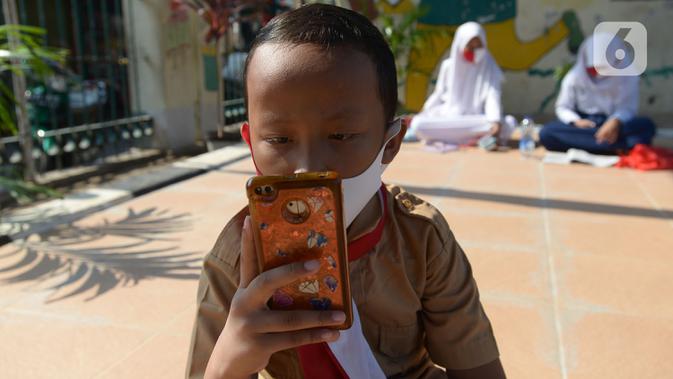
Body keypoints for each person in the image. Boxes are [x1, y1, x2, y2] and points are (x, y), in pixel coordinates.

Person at [186, 5, 505, 379]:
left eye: (340, 136)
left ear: (391, 142)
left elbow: (479, 369)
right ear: (251, 144)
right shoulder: (235, 260)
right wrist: (229, 361)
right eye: (278, 139)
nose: (308, 168)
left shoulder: (422, 240)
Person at [539, 34, 656, 155]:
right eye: (593, 69)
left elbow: (627, 108)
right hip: (584, 125)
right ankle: (610, 146)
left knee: (646, 126)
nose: (598, 74)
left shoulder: (627, 77)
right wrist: (575, 121)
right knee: (547, 132)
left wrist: (614, 122)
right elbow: (563, 107)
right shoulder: (574, 77)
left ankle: (589, 144)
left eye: (604, 68)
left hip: (614, 124)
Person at [406, 22, 513, 146]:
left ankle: (459, 137)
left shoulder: (490, 67)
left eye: (478, 47)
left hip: (475, 119)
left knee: (509, 123)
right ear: (460, 44)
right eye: (470, 46)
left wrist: (495, 121)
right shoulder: (448, 66)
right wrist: (423, 112)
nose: (474, 51)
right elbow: (438, 94)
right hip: (449, 117)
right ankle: (477, 138)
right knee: (418, 124)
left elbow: (493, 96)